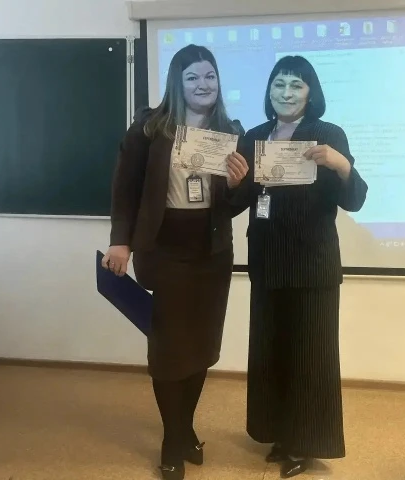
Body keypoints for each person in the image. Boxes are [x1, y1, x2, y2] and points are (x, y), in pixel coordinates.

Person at [102, 44, 249, 480]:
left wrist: (238, 185)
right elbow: (124, 189)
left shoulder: (230, 131)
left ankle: (185, 429)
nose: (203, 85)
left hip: (212, 251)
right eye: (193, 77)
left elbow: (234, 205)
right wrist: (120, 243)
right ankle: (172, 438)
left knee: (201, 347)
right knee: (169, 350)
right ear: (177, 83)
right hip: (164, 248)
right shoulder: (150, 128)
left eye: (210, 76)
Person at [232, 56, 368, 478]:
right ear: (269, 90)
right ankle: (278, 433)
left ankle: (304, 444)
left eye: (296, 85)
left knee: (310, 357)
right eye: (279, 84)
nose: (286, 93)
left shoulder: (328, 135)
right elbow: (237, 202)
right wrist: (233, 183)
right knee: (271, 353)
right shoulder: (254, 137)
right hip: (268, 263)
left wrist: (340, 165)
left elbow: (355, 200)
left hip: (312, 265)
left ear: (311, 93)